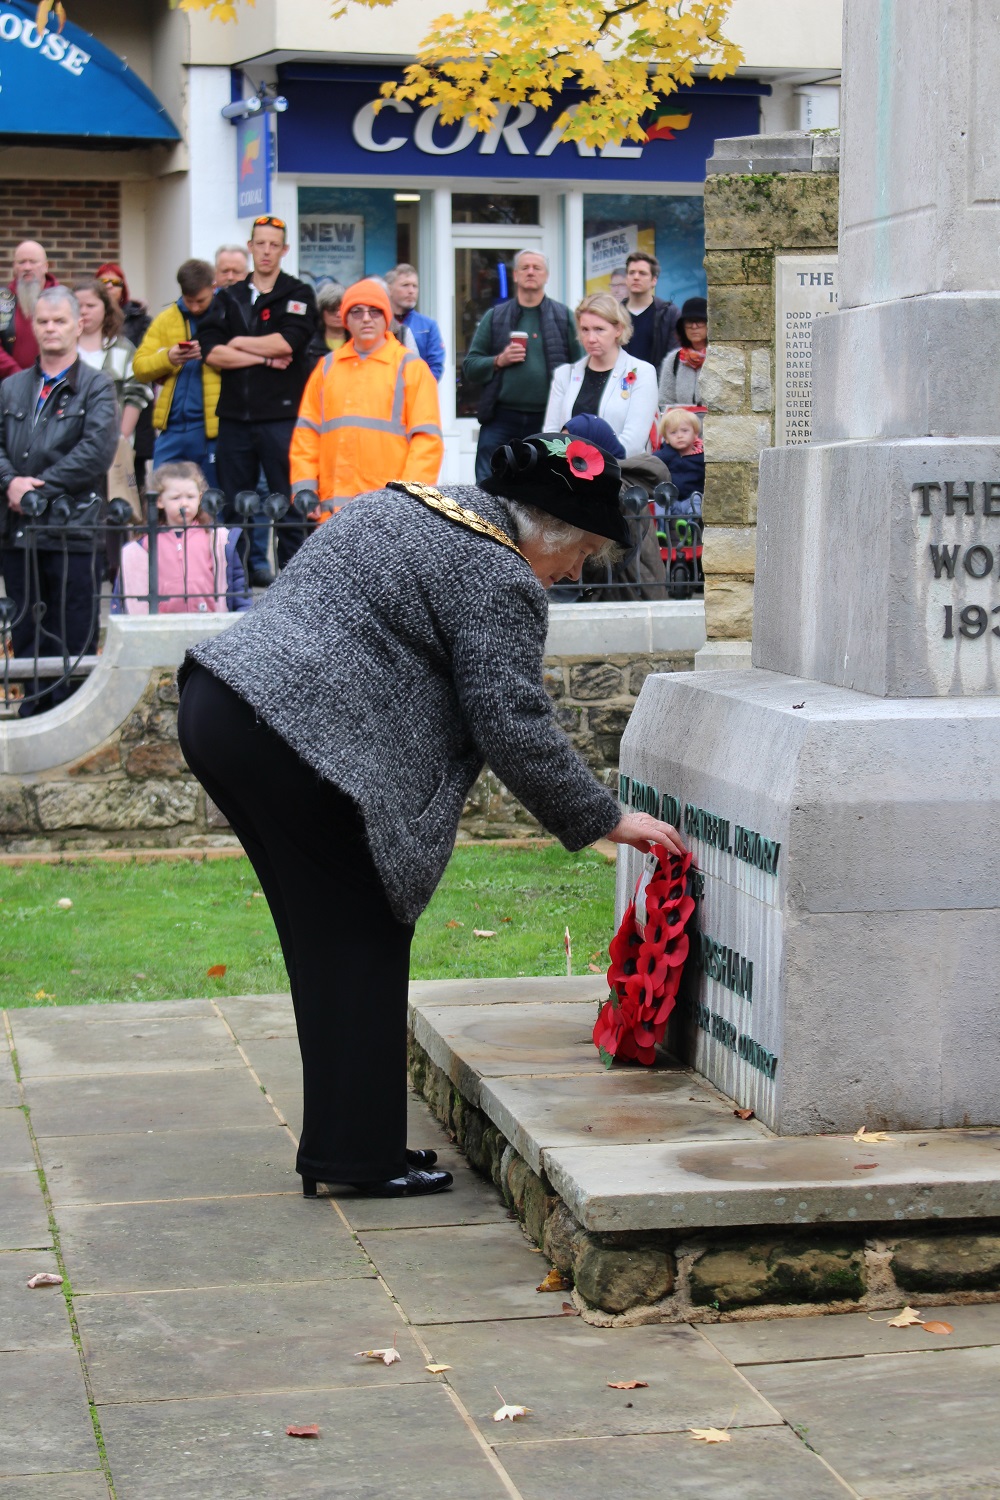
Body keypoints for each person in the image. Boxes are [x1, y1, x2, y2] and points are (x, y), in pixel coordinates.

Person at [176, 434, 686, 1198]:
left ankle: (353, 1147)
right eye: (579, 552)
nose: (575, 572)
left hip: (224, 709)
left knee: (334, 943)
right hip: (292, 742)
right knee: (359, 936)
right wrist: (604, 818)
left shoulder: (411, 506)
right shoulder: (496, 570)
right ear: (543, 528)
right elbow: (510, 720)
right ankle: (356, 1158)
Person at [0, 286, 118, 715]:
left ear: (78, 324)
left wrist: (36, 490)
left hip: (74, 530)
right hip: (16, 531)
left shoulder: (97, 386)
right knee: (26, 629)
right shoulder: (11, 388)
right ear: (34, 325)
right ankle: (32, 711)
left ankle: (70, 713)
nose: (51, 328)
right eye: (44, 321)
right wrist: (10, 482)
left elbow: (97, 451)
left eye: (60, 321)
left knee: (73, 631)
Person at [198, 214, 317, 582]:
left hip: (281, 417)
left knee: (288, 506)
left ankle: (294, 587)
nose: (266, 251)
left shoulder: (297, 293)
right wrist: (264, 356)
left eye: (273, 245)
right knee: (236, 507)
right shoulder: (228, 297)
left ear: (285, 250)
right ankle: (237, 583)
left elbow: (288, 342)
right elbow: (212, 353)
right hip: (234, 417)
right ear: (251, 247)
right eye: (260, 243)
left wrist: (238, 343)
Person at [290, 278, 443, 521]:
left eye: (374, 311)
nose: (366, 318)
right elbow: (306, 434)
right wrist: (305, 488)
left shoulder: (411, 368)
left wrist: (409, 498)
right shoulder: (327, 367)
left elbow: (426, 442)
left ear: (386, 317)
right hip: (332, 513)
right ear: (346, 319)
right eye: (357, 311)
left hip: (389, 512)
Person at [463, 250, 583, 483]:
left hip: (547, 419)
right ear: (515, 275)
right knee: (489, 482)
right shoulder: (495, 316)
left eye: (537, 268)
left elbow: (579, 370)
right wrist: (499, 360)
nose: (530, 272)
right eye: (525, 268)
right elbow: (470, 367)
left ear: (546, 276)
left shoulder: (563, 316)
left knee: (545, 485)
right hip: (501, 418)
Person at [114, 461, 250, 615]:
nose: (184, 503)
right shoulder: (144, 543)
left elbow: (237, 580)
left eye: (190, 497)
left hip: (210, 621)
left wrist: (244, 611)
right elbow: (124, 588)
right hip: (160, 628)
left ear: (200, 498)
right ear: (159, 501)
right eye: (176, 498)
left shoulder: (217, 538)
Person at [133, 259, 221, 486]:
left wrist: (212, 354)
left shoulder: (225, 313)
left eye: (201, 301)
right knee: (160, 497)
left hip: (212, 428)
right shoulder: (166, 319)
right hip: (171, 428)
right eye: (189, 301)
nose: (195, 307)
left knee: (212, 503)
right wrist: (168, 358)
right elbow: (140, 367)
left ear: (213, 287)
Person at [542, 293, 658, 457]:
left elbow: (632, 444)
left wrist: (594, 466)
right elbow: (551, 436)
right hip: (567, 472)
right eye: (585, 330)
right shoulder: (564, 375)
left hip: (619, 473)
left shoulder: (642, 372)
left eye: (599, 329)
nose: (591, 338)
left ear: (618, 329)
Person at [96, 262, 154, 491]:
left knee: (130, 483)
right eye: (104, 282)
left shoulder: (141, 321)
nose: (110, 287)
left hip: (133, 410)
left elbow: (143, 368)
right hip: (103, 411)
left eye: (116, 282)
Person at [74, 280, 151, 444]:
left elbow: (137, 394)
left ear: (105, 308)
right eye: (78, 306)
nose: (83, 311)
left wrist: (122, 437)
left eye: (90, 305)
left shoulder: (123, 350)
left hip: (110, 444)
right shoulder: (63, 350)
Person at [0, 241, 58, 378]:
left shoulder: (64, 300)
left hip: (55, 383)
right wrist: (18, 377)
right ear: (14, 267)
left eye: (33, 262)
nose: (27, 267)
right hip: (8, 386)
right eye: (21, 262)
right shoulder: (2, 301)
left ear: (45, 266)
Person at [620, 252, 681, 374]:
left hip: (656, 385)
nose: (636, 277)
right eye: (631, 273)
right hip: (619, 386)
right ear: (626, 279)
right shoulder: (614, 313)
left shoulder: (669, 313)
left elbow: (673, 357)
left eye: (642, 273)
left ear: (654, 280)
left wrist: (649, 380)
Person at [386, 264, 445, 379]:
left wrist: (418, 389)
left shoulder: (428, 326)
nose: (411, 291)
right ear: (389, 289)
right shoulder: (380, 323)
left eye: (415, 286)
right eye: (405, 285)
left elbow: (436, 367)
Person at [658, 296, 708, 409]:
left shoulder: (717, 358)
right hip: (682, 425)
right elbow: (665, 402)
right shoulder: (674, 359)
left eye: (700, 321)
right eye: (689, 322)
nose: (694, 326)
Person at [654, 407, 705, 512]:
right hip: (672, 500)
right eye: (673, 433)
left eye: (685, 431)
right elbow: (650, 464)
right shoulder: (664, 455)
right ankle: (662, 527)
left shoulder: (702, 457)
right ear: (666, 439)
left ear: (695, 434)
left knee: (697, 501)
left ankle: (692, 525)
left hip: (691, 498)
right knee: (660, 501)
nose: (679, 436)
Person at [304, 281, 346, 372]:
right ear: (321, 312)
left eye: (342, 309)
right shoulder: (308, 346)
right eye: (332, 309)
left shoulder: (358, 344)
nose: (338, 314)